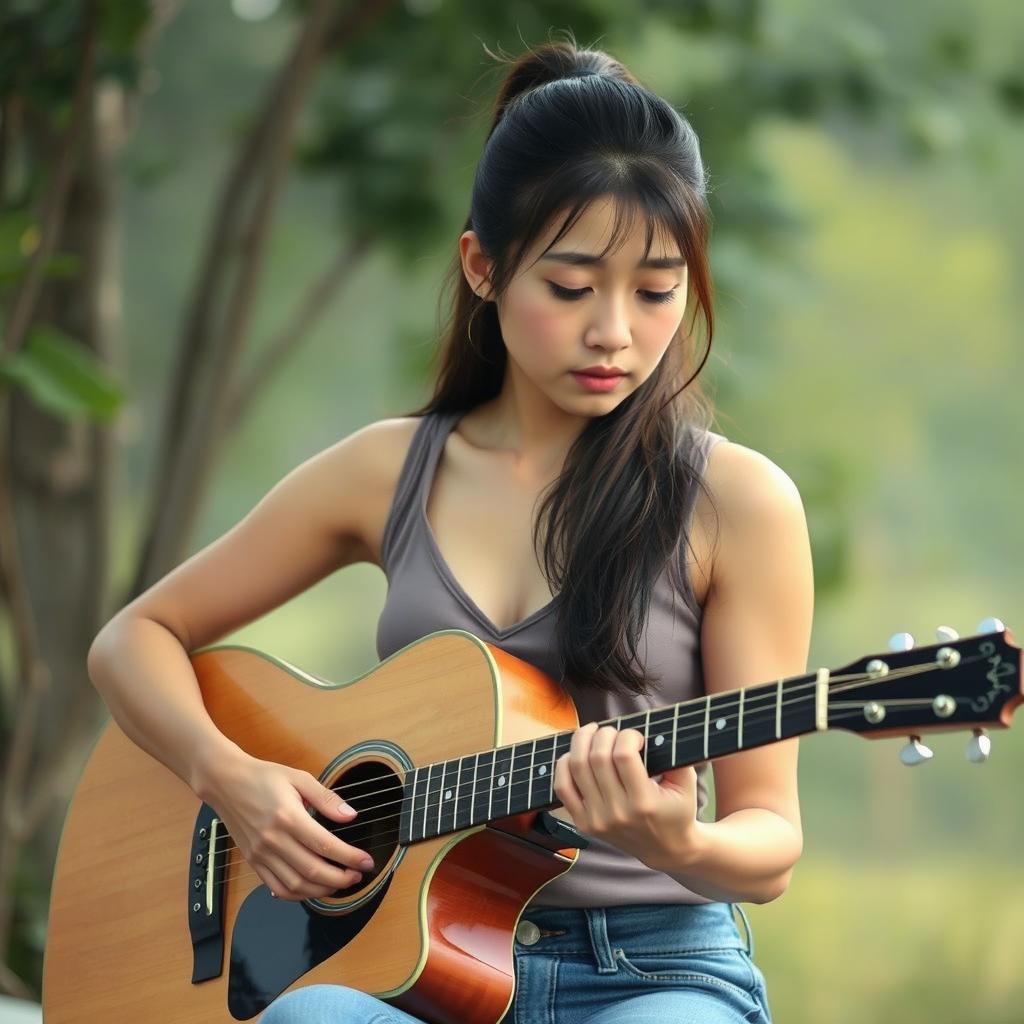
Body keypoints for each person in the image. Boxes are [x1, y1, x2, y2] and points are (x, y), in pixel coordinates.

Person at [87, 35, 813, 1024]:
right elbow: (133, 638)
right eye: (570, 287)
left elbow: (769, 840)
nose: (615, 331)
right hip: (411, 966)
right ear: (483, 267)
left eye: (655, 290)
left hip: (652, 972)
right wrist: (236, 782)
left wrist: (673, 840)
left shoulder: (738, 502)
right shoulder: (387, 470)